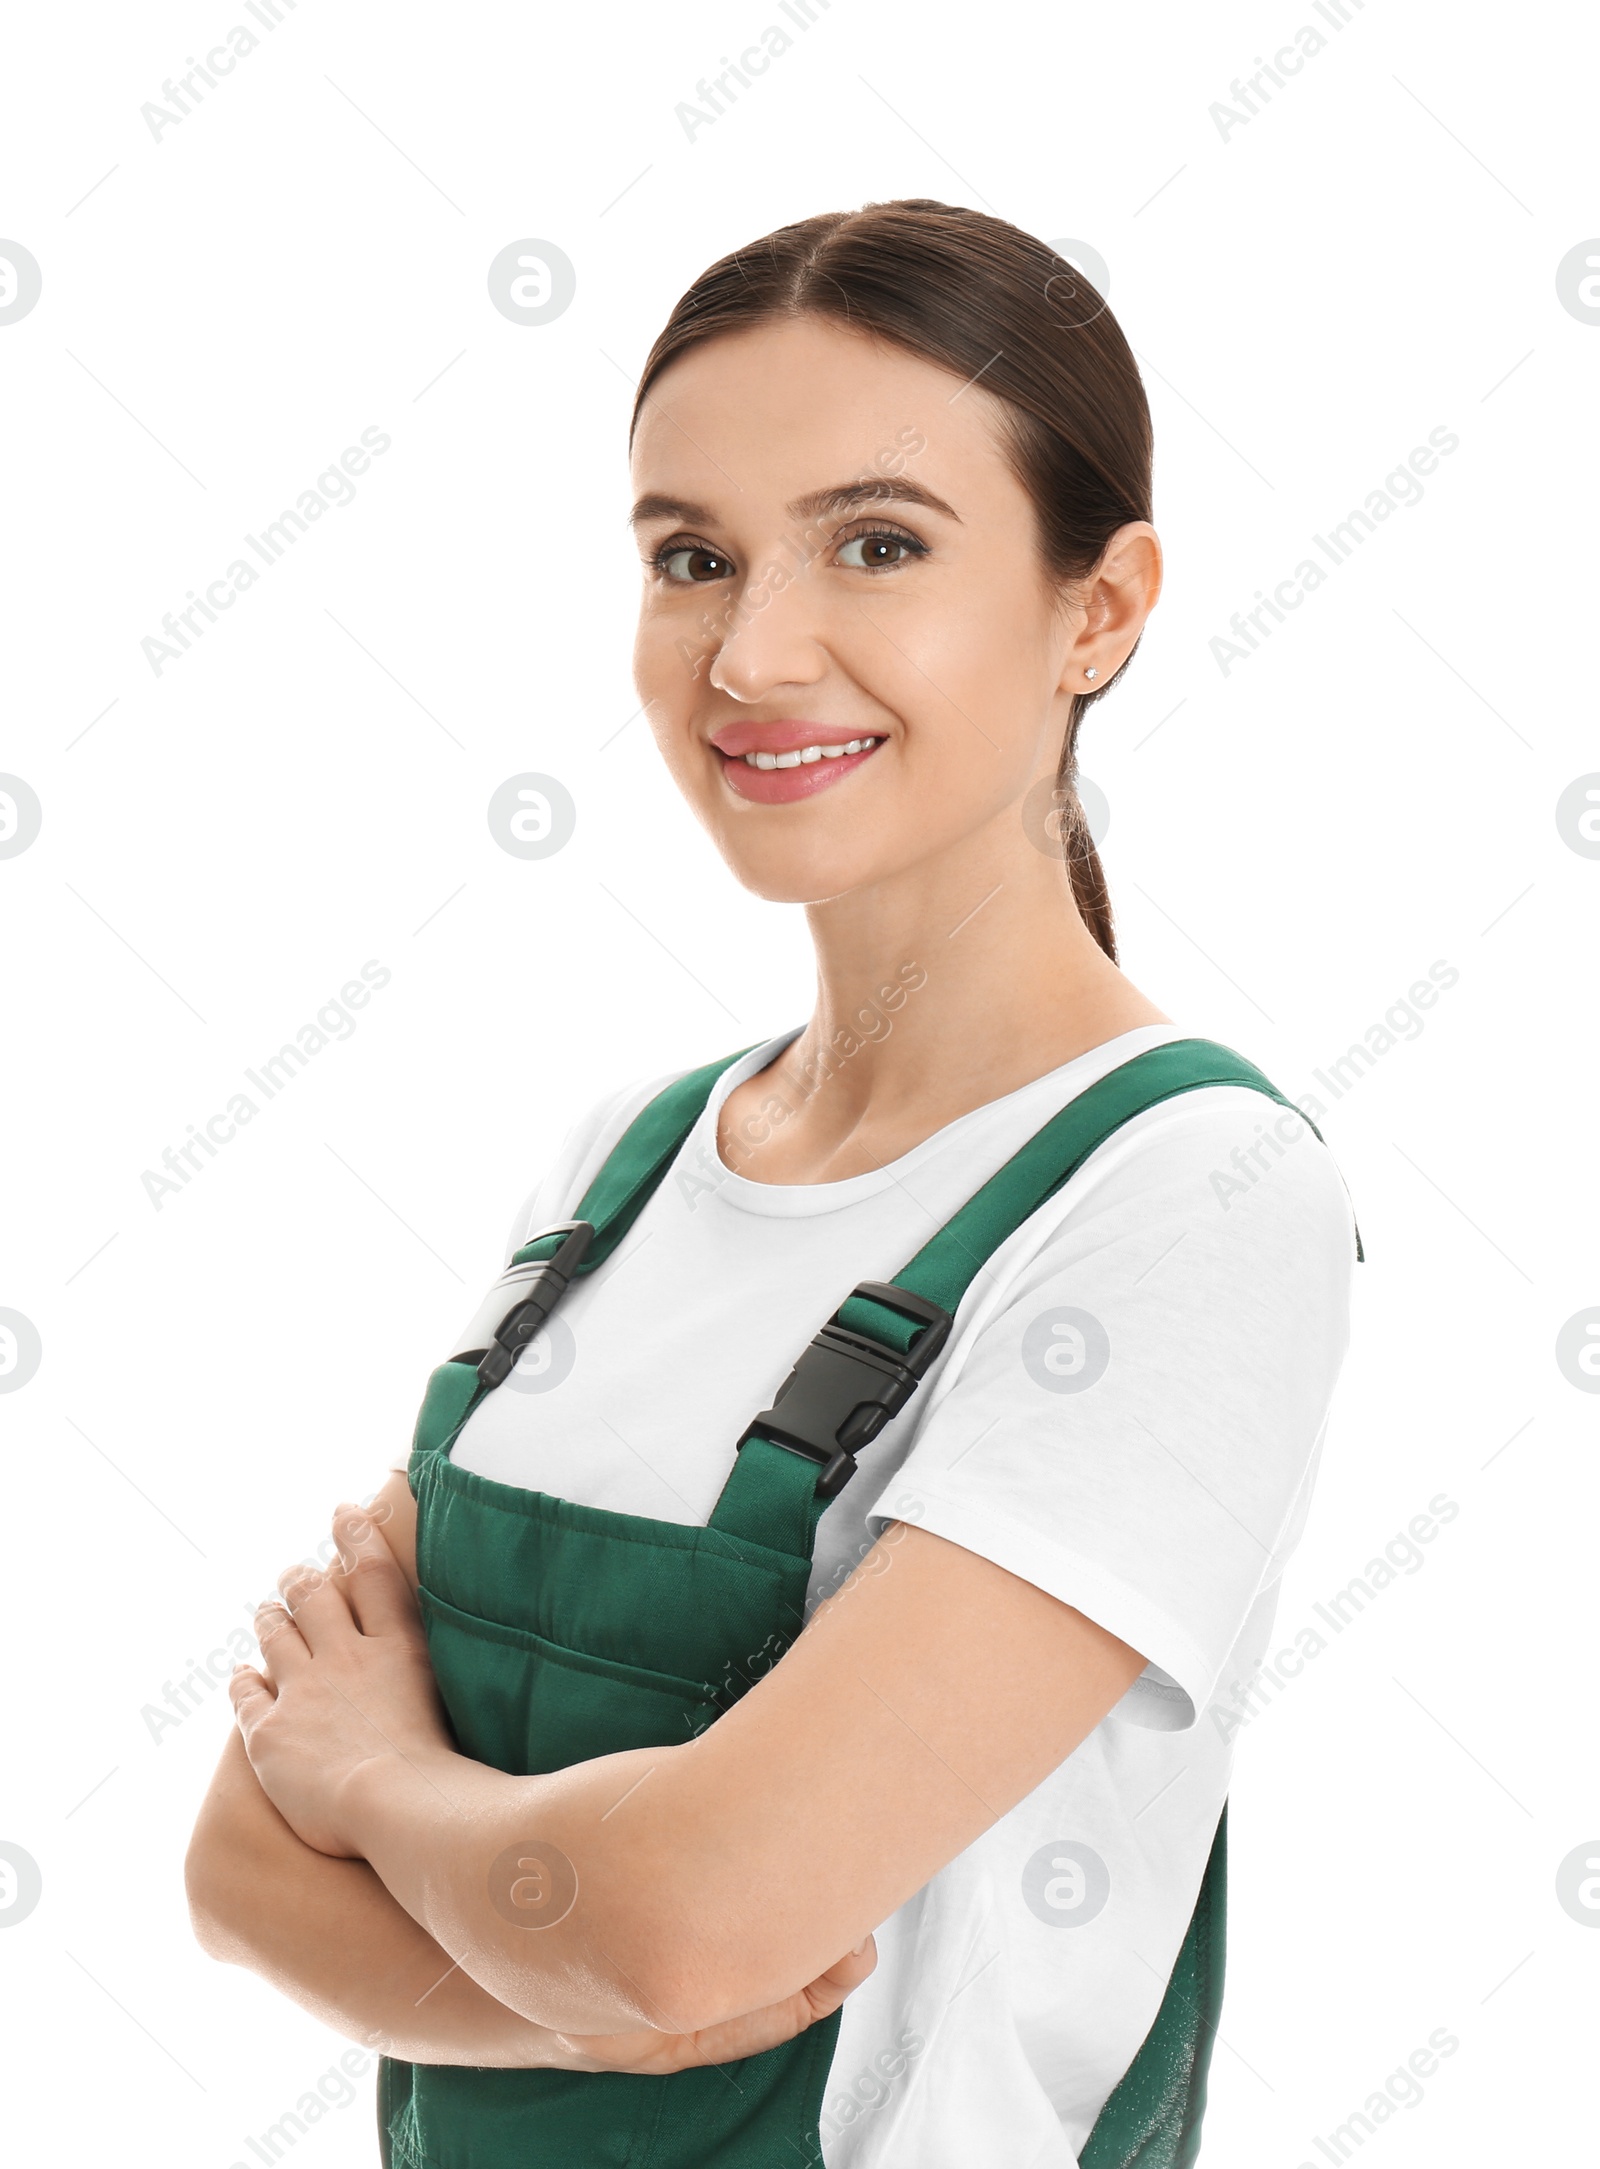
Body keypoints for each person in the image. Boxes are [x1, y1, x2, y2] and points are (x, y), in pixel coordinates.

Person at [185, 199, 1358, 2168]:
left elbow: (687, 1919)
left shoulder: (1188, 1199)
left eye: (876, 543)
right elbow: (238, 1875)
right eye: (688, 557)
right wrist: (593, 1970)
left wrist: (381, 1775)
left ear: (1100, 605)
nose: (748, 649)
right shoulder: (625, 1169)